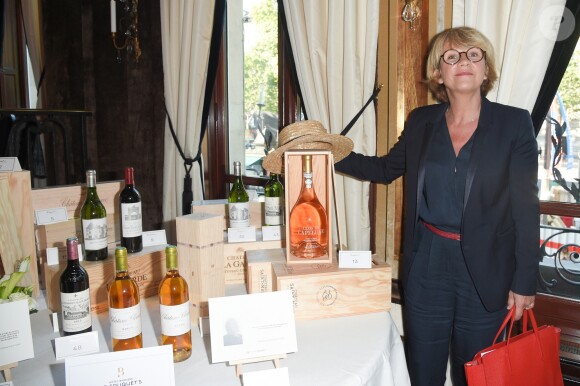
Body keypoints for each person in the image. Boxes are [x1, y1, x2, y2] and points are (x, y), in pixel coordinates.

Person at [335, 26, 539, 386]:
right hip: (427, 263)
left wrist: (524, 282)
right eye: (452, 56)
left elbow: (525, 206)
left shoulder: (514, 123)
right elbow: (385, 169)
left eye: (474, 54)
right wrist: (330, 154)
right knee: (423, 370)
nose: (464, 61)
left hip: (486, 271)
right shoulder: (420, 122)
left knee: (474, 373)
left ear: (486, 69)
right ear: (437, 73)